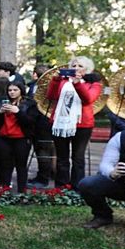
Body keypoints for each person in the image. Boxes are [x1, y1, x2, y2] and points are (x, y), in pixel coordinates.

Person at [46, 56, 102, 189]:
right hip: (60, 122)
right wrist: (55, 80)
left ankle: (78, 187)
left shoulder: (94, 83)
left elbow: (88, 99)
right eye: (74, 65)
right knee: (62, 157)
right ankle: (61, 186)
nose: (76, 68)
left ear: (87, 69)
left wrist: (77, 83)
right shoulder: (63, 81)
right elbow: (51, 96)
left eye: (80, 66)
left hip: (82, 124)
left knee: (78, 158)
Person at [77, 126, 125, 229]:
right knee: (88, 184)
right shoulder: (121, 137)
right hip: (122, 184)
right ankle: (102, 216)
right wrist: (112, 172)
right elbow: (105, 164)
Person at [0, 81, 37, 193]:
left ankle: (21, 191)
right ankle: (5, 190)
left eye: (15, 90)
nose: (12, 92)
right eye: (10, 90)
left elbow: (31, 122)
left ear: (21, 91)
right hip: (3, 138)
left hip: (21, 138)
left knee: (21, 165)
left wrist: (18, 112)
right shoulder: (0, 102)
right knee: (5, 165)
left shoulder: (29, 103)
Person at [28, 64, 56, 189]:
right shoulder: (52, 85)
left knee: (43, 150)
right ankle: (47, 174)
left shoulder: (37, 86)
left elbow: (32, 102)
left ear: (36, 74)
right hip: (49, 121)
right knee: (48, 150)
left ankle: (43, 178)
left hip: (41, 122)